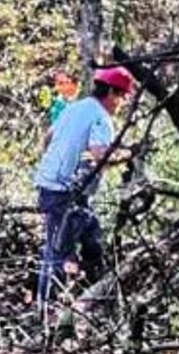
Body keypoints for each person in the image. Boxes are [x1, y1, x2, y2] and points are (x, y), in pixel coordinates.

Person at [34, 66, 135, 304]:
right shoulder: (101, 117)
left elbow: (48, 138)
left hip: (53, 185)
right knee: (58, 252)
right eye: (120, 96)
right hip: (63, 191)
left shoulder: (74, 108)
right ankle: (47, 310)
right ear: (110, 92)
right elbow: (102, 155)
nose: (120, 104)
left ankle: (94, 298)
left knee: (91, 237)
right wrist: (130, 154)